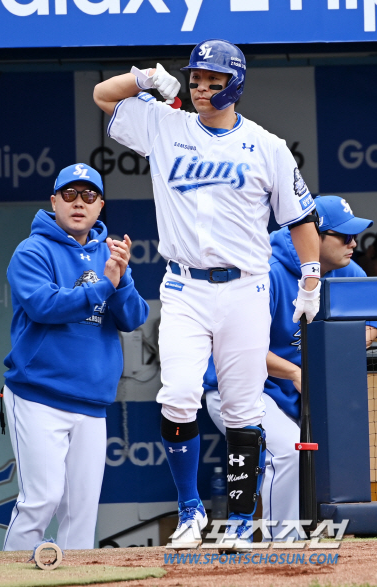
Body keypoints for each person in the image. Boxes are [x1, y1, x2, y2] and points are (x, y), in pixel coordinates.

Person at [93, 39, 321, 549]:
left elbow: (302, 219)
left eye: (212, 81)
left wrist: (311, 279)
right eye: (195, 79)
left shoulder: (267, 145)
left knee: (243, 409)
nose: (199, 88)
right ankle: (191, 513)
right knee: (176, 396)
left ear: (234, 84)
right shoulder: (165, 125)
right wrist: (149, 78)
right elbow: (104, 96)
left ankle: (240, 521)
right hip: (183, 285)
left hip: (244, 287)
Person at [205, 195, 377, 540]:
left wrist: (361, 336)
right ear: (313, 236)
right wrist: (298, 372)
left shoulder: (348, 270)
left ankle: (298, 541)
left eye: (354, 235)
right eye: (344, 237)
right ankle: (280, 548)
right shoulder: (265, 269)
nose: (354, 244)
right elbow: (237, 346)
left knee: (318, 457)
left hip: (299, 393)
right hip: (240, 385)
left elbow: (372, 323)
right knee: (285, 452)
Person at [2, 163, 149, 550]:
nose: (78, 202)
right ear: (54, 201)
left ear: (101, 205)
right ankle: (5, 578)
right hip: (38, 394)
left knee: (81, 512)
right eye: (69, 194)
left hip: (91, 401)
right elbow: (44, 306)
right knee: (41, 501)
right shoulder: (31, 250)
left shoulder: (110, 252)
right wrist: (105, 284)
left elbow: (133, 318)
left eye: (88, 195)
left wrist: (122, 278)